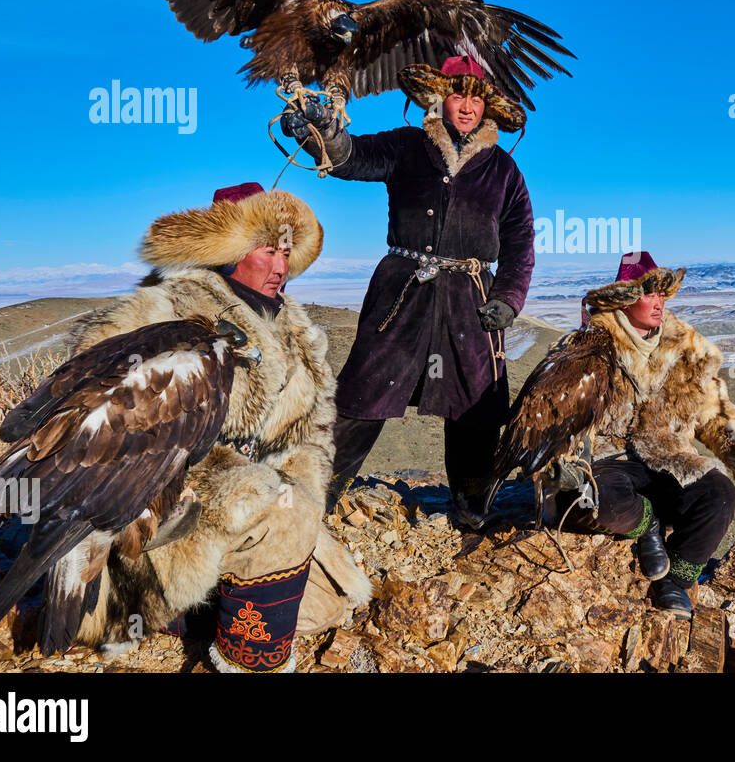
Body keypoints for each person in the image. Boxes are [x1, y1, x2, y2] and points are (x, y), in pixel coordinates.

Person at [66, 182, 370, 671]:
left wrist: (304, 493)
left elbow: (311, 434)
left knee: (325, 604)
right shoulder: (170, 309)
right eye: (267, 250)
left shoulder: (293, 327)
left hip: (261, 502)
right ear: (228, 253)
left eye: (287, 252)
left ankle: (213, 602)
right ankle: (235, 653)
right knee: (273, 552)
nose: (280, 267)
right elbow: (86, 395)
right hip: (174, 514)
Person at [284, 57, 535, 523]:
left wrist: (507, 298)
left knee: (475, 407)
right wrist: (315, 132)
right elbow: (349, 157)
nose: (466, 107)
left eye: (476, 98)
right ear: (439, 97)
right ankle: (317, 495)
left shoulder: (504, 170)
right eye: (458, 95)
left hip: (471, 299)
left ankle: (472, 507)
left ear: (487, 108)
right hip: (403, 292)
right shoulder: (408, 145)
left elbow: (520, 242)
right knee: (363, 395)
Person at [553, 252, 735, 618]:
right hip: (604, 461)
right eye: (649, 294)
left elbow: (713, 413)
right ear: (624, 299)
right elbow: (556, 417)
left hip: (667, 460)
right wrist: (562, 464)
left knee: (721, 497)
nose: (659, 303)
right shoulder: (586, 347)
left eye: (663, 295)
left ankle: (674, 578)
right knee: (590, 501)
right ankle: (648, 523)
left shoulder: (688, 352)